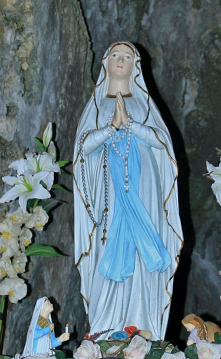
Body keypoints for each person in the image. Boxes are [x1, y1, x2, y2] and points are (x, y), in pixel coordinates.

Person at [73, 42, 182, 340]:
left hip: (144, 187)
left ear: (136, 65)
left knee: (140, 251)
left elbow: (162, 143)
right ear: (105, 62)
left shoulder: (143, 104)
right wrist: (110, 128)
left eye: (127, 56)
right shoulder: (97, 105)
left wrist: (131, 125)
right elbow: (83, 148)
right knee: (108, 247)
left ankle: (141, 326)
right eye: (115, 55)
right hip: (109, 191)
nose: (121, 60)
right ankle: (106, 327)